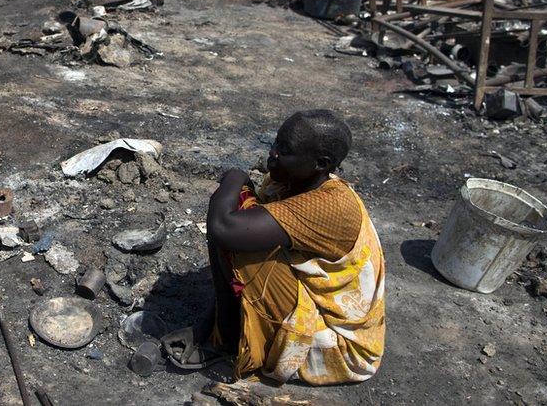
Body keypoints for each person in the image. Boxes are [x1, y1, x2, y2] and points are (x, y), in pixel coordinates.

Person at [162, 110, 386, 386]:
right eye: (276, 143)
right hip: (314, 306)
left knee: (245, 240)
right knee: (245, 222)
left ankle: (229, 341)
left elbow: (224, 229)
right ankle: (224, 330)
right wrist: (204, 327)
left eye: (286, 150)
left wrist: (236, 175)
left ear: (321, 163)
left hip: (342, 347)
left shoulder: (332, 205)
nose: (273, 154)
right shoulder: (288, 182)